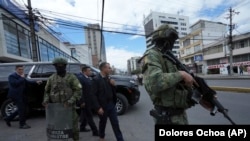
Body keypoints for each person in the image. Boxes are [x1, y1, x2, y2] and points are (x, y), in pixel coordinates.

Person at [139, 24, 197, 125]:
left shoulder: (169, 58)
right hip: (166, 118)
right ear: (164, 40)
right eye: (171, 40)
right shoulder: (152, 55)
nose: (172, 43)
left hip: (180, 115)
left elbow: (179, 86)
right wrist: (181, 74)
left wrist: (203, 96)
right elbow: (155, 82)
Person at [42, 57, 82, 141]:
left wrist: (70, 101)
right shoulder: (52, 78)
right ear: (55, 66)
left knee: (74, 130)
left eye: (61, 66)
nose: (59, 67)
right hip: (57, 110)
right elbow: (47, 91)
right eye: (57, 66)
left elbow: (78, 91)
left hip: (69, 109)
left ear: (65, 66)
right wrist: (46, 100)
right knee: (59, 131)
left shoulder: (71, 77)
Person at [91, 62, 124, 141]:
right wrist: (98, 108)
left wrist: (113, 85)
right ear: (103, 69)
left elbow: (112, 91)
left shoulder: (108, 78)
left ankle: (120, 139)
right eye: (109, 68)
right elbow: (93, 95)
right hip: (102, 106)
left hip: (111, 105)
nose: (110, 69)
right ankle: (101, 137)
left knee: (115, 123)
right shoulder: (96, 79)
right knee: (103, 123)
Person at [76, 65, 99, 136]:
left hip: (88, 100)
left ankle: (82, 127)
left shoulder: (87, 78)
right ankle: (95, 131)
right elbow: (79, 91)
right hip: (84, 101)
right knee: (89, 116)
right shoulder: (80, 79)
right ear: (84, 72)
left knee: (84, 114)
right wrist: (81, 101)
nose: (91, 72)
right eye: (89, 71)